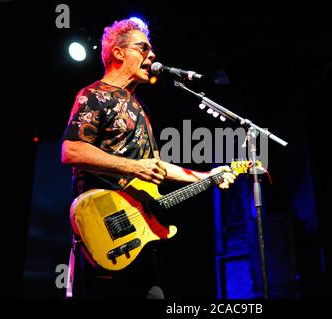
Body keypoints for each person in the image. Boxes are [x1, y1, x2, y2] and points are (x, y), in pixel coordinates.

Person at [61, 17, 238, 299]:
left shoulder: (140, 108)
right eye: (143, 48)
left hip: (141, 239)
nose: (152, 55)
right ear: (118, 53)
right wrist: (134, 167)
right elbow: (72, 151)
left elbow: (154, 167)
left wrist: (207, 176)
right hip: (103, 231)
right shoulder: (94, 95)